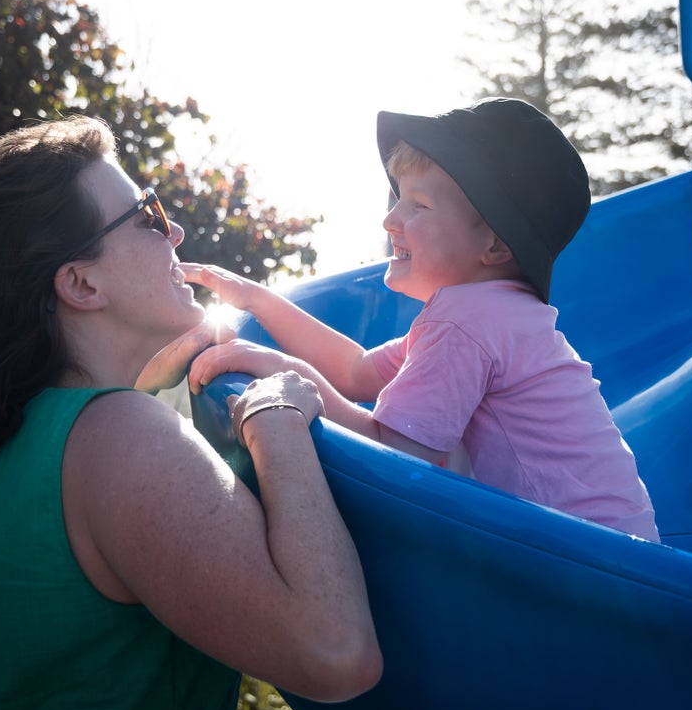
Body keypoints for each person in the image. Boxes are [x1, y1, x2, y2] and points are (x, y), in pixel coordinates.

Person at [0, 115, 382, 710]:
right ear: (81, 283)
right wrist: (274, 413)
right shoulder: (117, 436)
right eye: (146, 214)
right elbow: (335, 654)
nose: (174, 230)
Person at [184, 98, 660, 543]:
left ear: (494, 247)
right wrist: (260, 301)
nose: (391, 219)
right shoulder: (498, 311)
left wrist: (285, 377)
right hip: (624, 551)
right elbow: (357, 373)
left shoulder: (468, 322)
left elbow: (393, 455)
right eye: (398, 199)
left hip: (594, 567)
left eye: (418, 205)